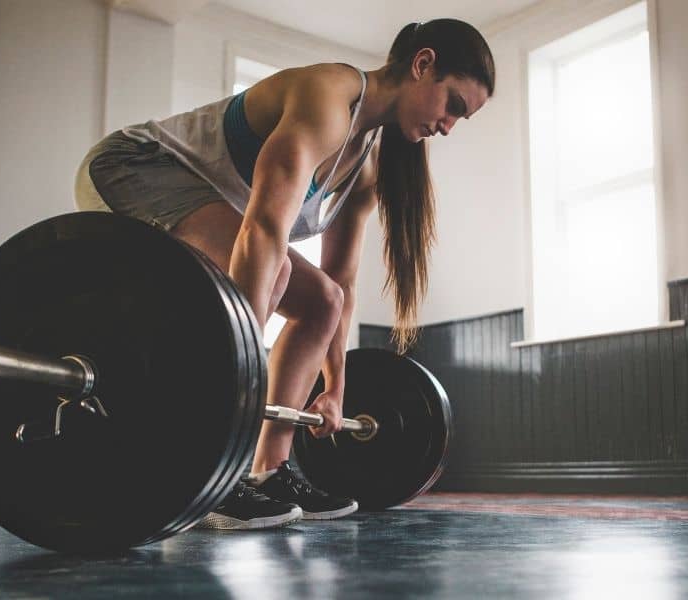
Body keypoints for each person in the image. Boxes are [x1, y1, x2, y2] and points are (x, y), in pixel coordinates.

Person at [74, 19, 495, 529]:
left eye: (461, 119)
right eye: (453, 105)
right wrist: (242, 368)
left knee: (323, 301)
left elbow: (340, 282)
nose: (448, 126)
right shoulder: (327, 97)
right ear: (423, 64)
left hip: (209, 209)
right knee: (266, 279)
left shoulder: (363, 165)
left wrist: (337, 386)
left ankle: (270, 471)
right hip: (132, 166)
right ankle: (209, 471)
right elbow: (264, 232)